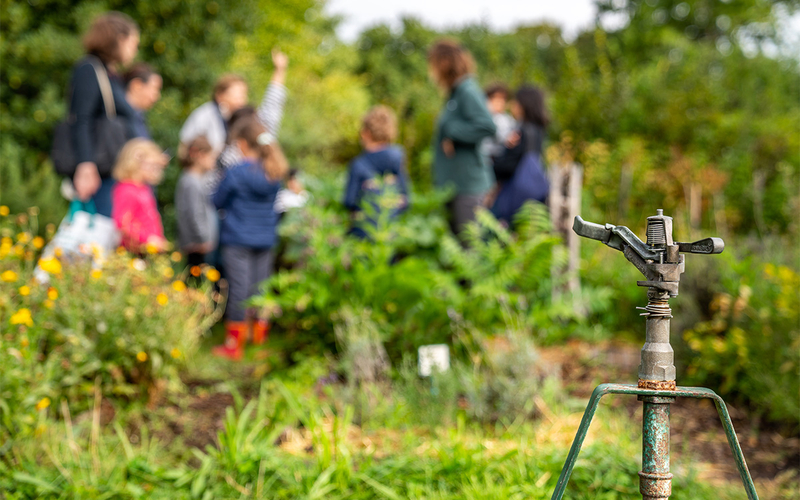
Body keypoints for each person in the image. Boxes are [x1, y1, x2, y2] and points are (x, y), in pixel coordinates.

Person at [211, 116, 289, 360]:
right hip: (265, 237)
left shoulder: (236, 173)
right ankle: (259, 339)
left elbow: (216, 201)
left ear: (243, 144)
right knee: (260, 287)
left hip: (238, 238)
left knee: (239, 289)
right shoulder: (273, 172)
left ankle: (234, 344)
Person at [70, 12, 140, 217]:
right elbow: (81, 120)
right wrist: (86, 165)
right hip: (100, 172)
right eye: (133, 42)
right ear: (120, 39)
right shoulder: (89, 68)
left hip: (115, 169)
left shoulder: (110, 72)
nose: (135, 49)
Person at [428, 40, 496, 238]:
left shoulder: (467, 90)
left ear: (445, 63)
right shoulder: (455, 93)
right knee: (458, 250)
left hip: (468, 186)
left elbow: (487, 125)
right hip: (455, 186)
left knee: (470, 250)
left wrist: (452, 132)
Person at [179, 49, 289, 166]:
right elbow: (184, 148)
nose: (242, 98)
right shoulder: (204, 115)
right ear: (220, 95)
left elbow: (272, 106)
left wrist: (279, 71)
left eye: (244, 93)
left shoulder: (247, 120)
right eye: (238, 93)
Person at [343, 105, 410, 237]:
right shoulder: (398, 160)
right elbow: (405, 199)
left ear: (366, 133)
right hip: (389, 234)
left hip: (363, 234)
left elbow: (349, 201)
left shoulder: (359, 164)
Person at [490, 85, 551, 224]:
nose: (512, 106)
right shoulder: (539, 130)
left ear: (523, 105)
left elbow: (506, 167)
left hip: (513, 194)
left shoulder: (520, 132)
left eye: (515, 102)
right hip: (534, 195)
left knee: (486, 230)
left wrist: (501, 154)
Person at [111, 139, 169, 253]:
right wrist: (148, 239)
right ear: (136, 163)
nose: (155, 171)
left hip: (148, 249)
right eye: (152, 165)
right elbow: (122, 223)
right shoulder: (126, 189)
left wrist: (159, 239)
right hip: (133, 250)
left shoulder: (144, 189)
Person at [175, 136, 218, 269]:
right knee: (195, 279)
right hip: (196, 244)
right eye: (212, 157)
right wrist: (203, 238)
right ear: (199, 155)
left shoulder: (195, 179)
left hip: (197, 242)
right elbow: (195, 214)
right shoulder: (191, 182)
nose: (214, 162)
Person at [124, 62, 162, 139]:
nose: (158, 96)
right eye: (155, 89)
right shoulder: (118, 117)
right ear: (136, 86)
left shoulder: (138, 117)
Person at [480, 82, 517, 164]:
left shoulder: (507, 119)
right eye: (495, 98)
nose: (499, 102)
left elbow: (510, 135)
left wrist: (509, 139)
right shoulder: (482, 117)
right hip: (484, 159)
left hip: (500, 161)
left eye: (502, 99)